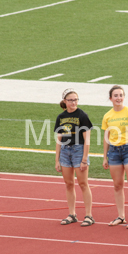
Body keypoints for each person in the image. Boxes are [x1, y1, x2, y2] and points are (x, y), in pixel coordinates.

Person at [102, 85, 128, 229]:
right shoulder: (107, 116)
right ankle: (121, 216)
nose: (118, 98)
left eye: (121, 95)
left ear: (124, 97)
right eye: (115, 95)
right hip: (113, 152)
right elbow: (106, 137)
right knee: (117, 185)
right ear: (110, 98)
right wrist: (105, 157)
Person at [54, 88, 94, 227]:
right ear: (65, 101)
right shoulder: (61, 117)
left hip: (79, 150)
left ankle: (89, 215)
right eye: (71, 100)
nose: (74, 102)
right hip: (65, 151)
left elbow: (87, 139)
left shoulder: (82, 115)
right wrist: (57, 159)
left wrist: (84, 158)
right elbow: (59, 139)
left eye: (76, 99)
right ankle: (72, 214)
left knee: (83, 184)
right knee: (69, 184)